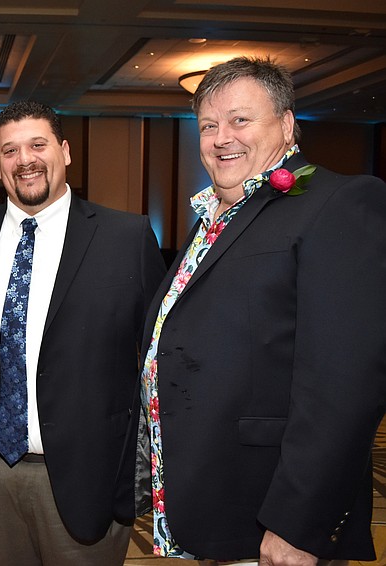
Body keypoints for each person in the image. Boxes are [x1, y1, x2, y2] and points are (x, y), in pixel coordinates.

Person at [129, 56, 386, 564]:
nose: (221, 137)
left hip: (271, 512)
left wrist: (298, 524)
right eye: (208, 125)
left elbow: (345, 385)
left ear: (287, 125)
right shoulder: (216, 214)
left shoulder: (338, 203)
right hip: (214, 495)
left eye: (240, 120)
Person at [0, 100, 167, 565]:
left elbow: (159, 358)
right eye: (10, 150)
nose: (25, 160)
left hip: (89, 477)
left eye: (38, 145)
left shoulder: (126, 237)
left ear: (65, 151)